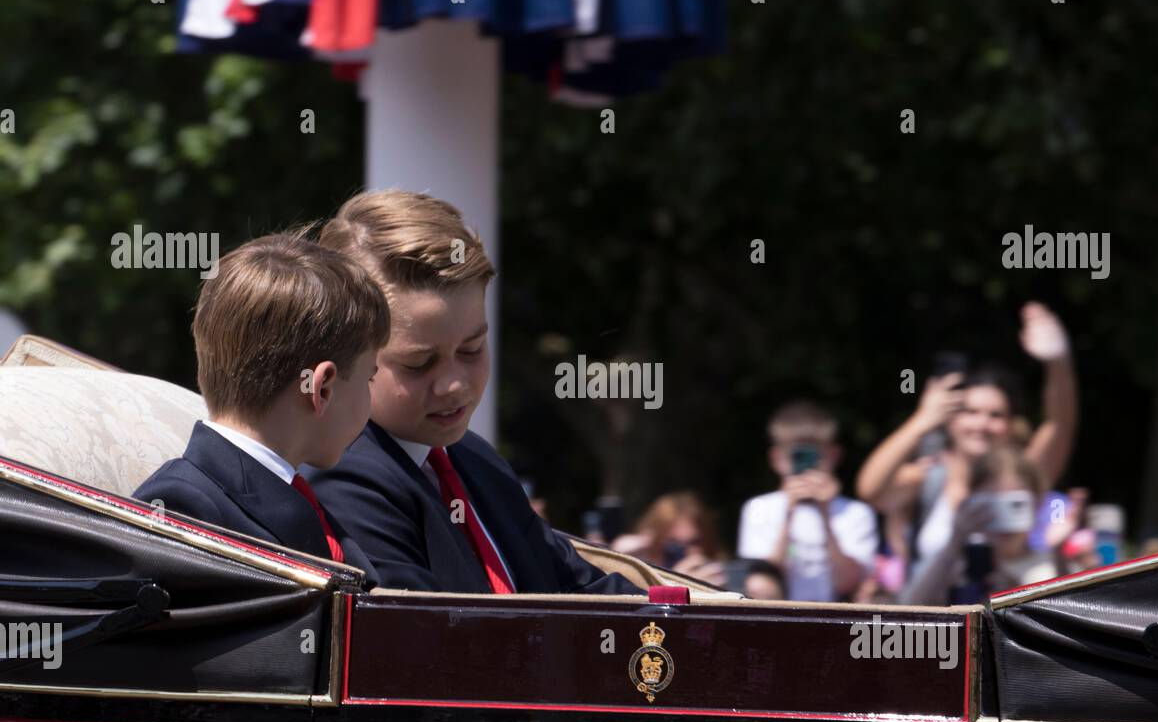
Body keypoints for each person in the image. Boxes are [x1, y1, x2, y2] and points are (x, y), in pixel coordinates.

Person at [306, 190, 641, 594]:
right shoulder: (342, 482)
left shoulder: (476, 461)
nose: (454, 384)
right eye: (418, 363)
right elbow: (434, 641)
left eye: (472, 349)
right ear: (347, 355)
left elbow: (583, 589)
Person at [135, 234, 389, 576]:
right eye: (369, 378)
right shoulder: (184, 507)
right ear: (322, 389)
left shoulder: (293, 495)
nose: (369, 401)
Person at [855, 303, 1078, 592]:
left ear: (1011, 424)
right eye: (970, 412)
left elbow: (1059, 425)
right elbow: (871, 491)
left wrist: (1058, 361)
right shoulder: (929, 476)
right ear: (951, 418)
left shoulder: (1021, 475)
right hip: (933, 621)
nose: (981, 424)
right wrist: (921, 421)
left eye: (995, 415)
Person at [736, 400, 878, 602]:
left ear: (834, 455)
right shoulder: (758, 508)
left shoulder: (857, 512)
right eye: (796, 456)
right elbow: (761, 582)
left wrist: (825, 514)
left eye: (814, 455)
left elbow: (848, 583)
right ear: (776, 458)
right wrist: (789, 514)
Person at [900, 445, 1057, 605]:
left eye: (1015, 504)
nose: (1003, 517)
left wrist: (1060, 555)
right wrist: (955, 541)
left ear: (1037, 503)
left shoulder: (1053, 564)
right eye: (991, 505)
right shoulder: (956, 565)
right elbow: (911, 610)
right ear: (973, 502)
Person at [612, 492, 727, 587]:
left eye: (694, 542)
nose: (684, 551)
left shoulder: (718, 574)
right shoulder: (637, 577)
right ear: (652, 545)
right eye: (673, 543)